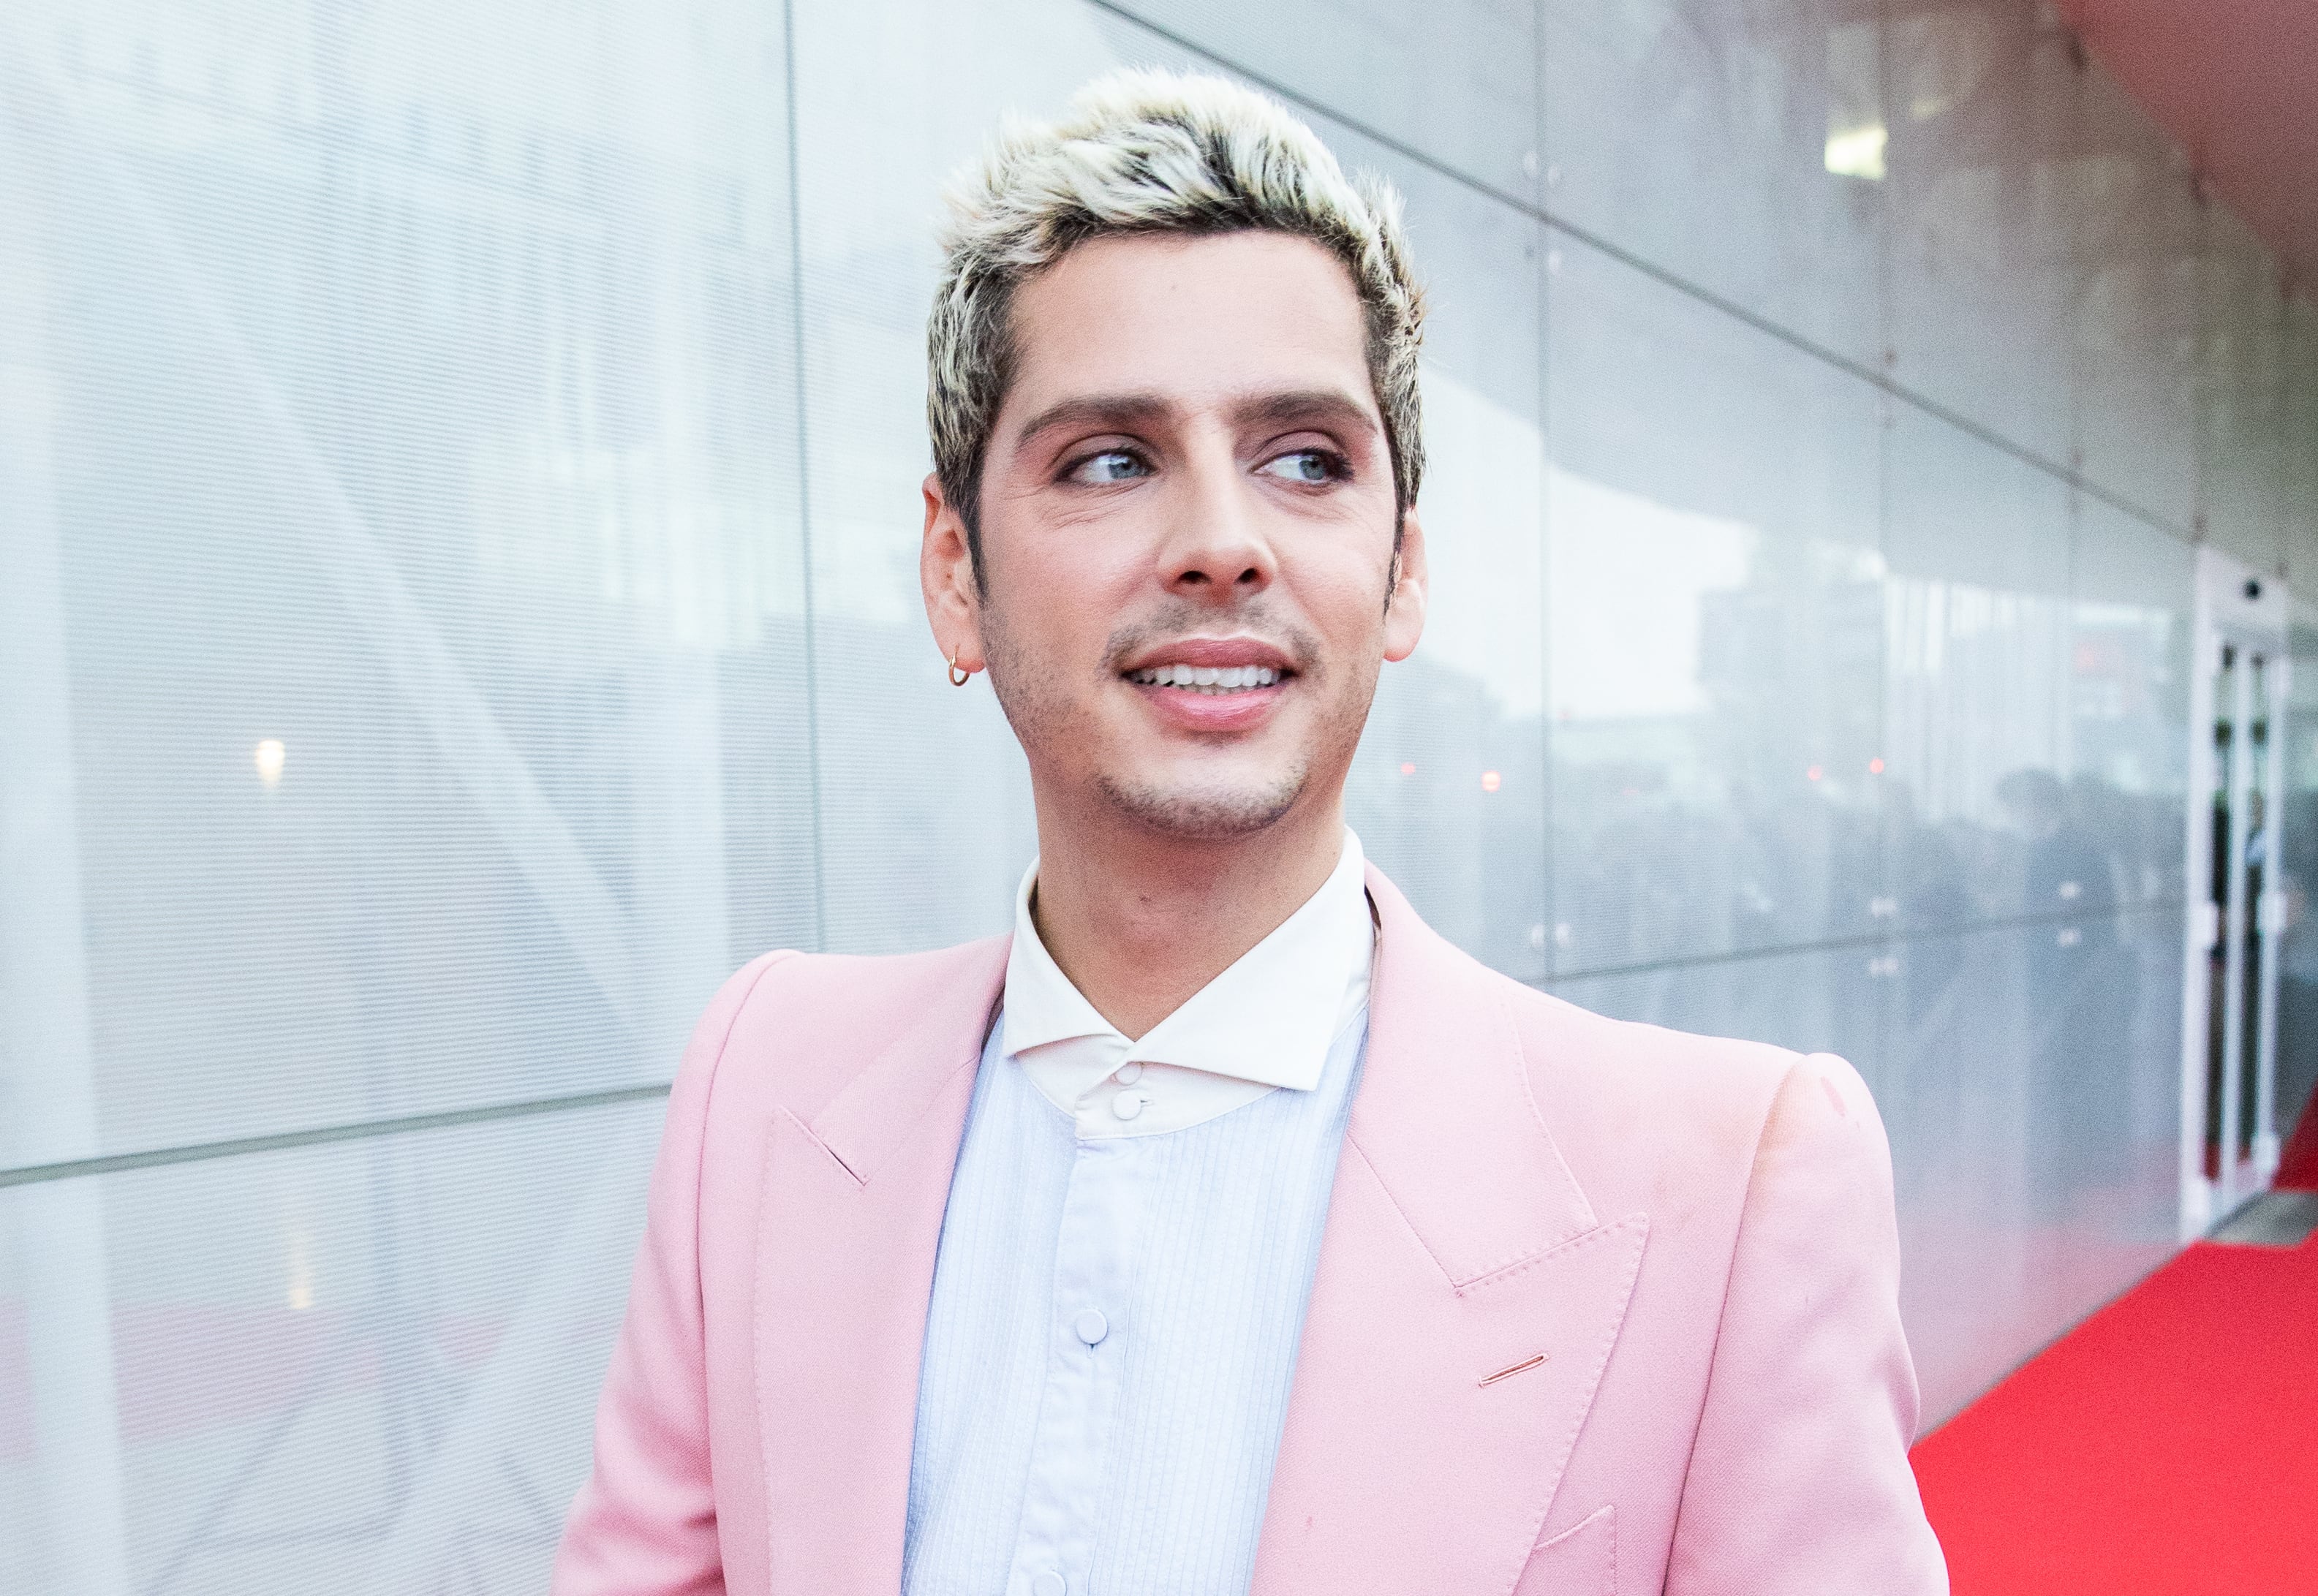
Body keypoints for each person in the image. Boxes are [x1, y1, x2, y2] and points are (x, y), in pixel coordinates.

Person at [553, 69, 1947, 1595]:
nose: (1222, 542)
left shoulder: (1733, 1181)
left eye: (1304, 460)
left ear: (1400, 570)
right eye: (1108, 460)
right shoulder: (764, 1083)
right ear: (954, 570)